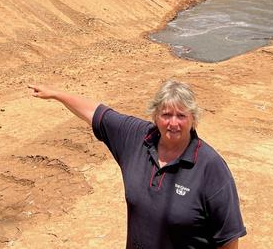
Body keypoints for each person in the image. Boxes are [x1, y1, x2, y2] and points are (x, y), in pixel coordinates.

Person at [28, 80, 246, 249]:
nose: (173, 123)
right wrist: (57, 94)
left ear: (193, 119)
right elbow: (96, 113)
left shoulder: (211, 167)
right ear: (154, 116)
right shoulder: (137, 138)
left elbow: (228, 238)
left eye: (181, 115)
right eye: (166, 114)